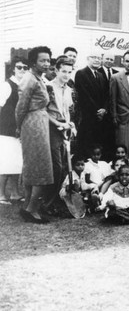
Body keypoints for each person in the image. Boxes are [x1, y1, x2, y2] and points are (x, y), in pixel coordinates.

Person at [16, 46, 54, 223]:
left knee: (35, 166)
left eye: (48, 60)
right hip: (33, 126)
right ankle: (31, 209)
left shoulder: (38, 78)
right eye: (42, 60)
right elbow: (20, 107)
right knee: (40, 166)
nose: (46, 63)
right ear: (33, 62)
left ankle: (28, 207)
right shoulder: (29, 79)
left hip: (39, 124)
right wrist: (19, 127)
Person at [45, 57, 75, 209]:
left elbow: (67, 111)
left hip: (64, 131)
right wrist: (58, 124)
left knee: (64, 166)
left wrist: (70, 125)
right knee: (55, 167)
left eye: (69, 72)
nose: (66, 75)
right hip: (51, 130)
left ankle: (58, 199)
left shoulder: (69, 89)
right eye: (63, 71)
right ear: (56, 70)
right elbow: (42, 112)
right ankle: (48, 202)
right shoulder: (48, 87)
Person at [0, 56, 28, 204]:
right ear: (13, 69)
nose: (22, 70)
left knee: (17, 162)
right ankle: (1, 195)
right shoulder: (6, 85)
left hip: (20, 130)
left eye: (25, 67)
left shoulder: (24, 85)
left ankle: (15, 193)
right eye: (19, 67)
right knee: (5, 162)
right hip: (6, 131)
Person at [74, 55, 108, 156]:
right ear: (88, 59)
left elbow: (106, 95)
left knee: (96, 145)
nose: (97, 60)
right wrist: (97, 111)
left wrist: (104, 109)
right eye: (94, 57)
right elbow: (84, 95)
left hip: (100, 118)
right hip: (87, 117)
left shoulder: (101, 75)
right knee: (86, 146)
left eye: (99, 58)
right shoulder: (81, 73)